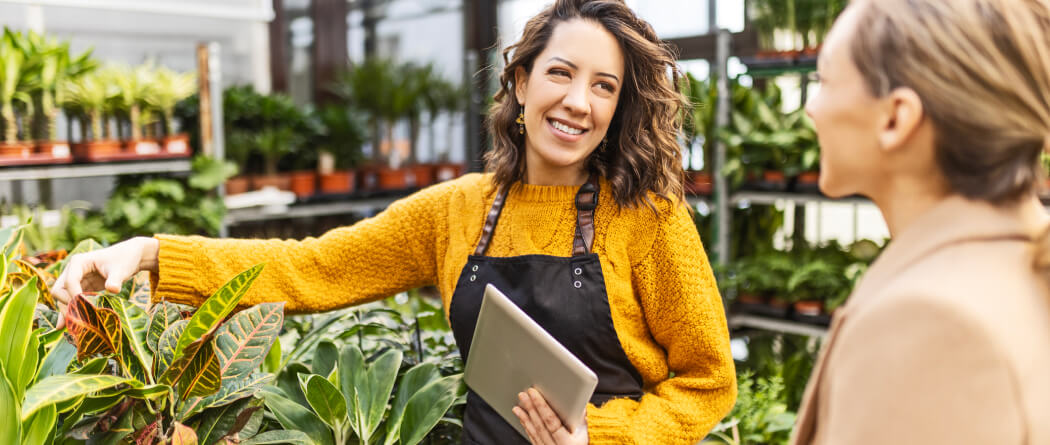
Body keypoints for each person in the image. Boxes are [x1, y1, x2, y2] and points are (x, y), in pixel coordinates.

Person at [52, 1, 736, 443]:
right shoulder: (457, 209)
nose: (578, 101)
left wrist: (602, 436)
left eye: (604, 86)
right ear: (522, 82)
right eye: (561, 72)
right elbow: (312, 267)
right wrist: (146, 253)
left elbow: (709, 380)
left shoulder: (647, 218)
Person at [794, 0, 1050, 443]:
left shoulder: (929, 322)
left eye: (826, 80)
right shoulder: (1019, 265)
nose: (811, 108)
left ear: (896, 118)